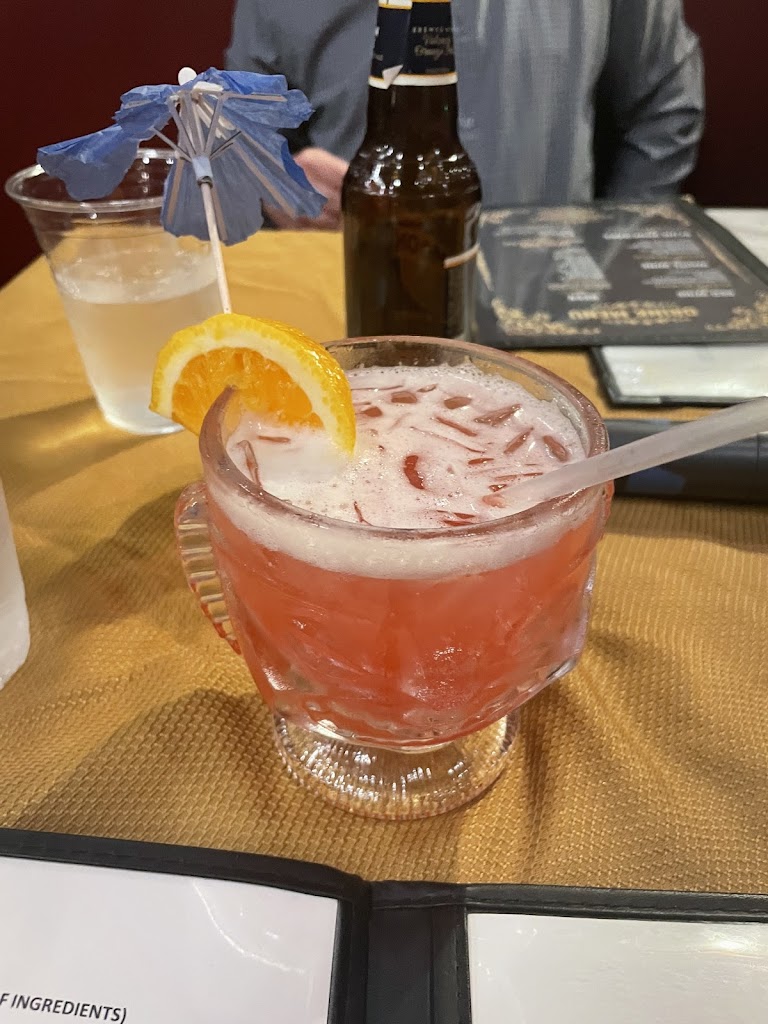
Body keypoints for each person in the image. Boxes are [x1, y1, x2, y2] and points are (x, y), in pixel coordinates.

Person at [226, 0, 704, 229]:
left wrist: (619, 240)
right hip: (351, 279)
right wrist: (275, 181)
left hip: (550, 281)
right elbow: (240, 125)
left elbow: (664, 105)